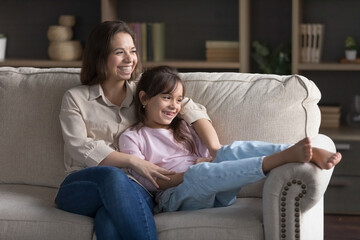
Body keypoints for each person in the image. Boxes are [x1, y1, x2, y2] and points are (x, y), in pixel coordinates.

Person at [55, 21, 216, 240]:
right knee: (112, 176)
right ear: (100, 56)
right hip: (82, 186)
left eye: (132, 51)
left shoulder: (144, 93)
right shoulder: (76, 98)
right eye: (119, 52)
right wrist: (133, 162)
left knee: (109, 221)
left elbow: (189, 107)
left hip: (136, 189)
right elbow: (79, 147)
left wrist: (215, 149)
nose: (129, 59)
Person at [118, 65, 342, 212]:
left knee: (227, 151)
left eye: (178, 100)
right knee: (199, 172)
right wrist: (188, 173)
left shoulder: (183, 128)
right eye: (167, 98)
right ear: (144, 98)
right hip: (174, 197)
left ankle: (294, 150)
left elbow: (210, 155)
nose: (174, 106)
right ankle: (281, 158)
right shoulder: (133, 137)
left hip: (216, 192)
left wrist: (206, 160)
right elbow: (148, 181)